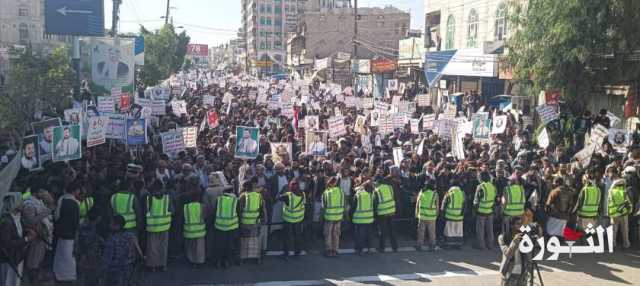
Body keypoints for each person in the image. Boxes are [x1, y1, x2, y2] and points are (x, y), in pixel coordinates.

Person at [1, 194, 37, 286]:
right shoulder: (6, 222)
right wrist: (26, 239)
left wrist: (26, 231)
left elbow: (17, 232)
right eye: (20, 202)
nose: (22, 204)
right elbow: (7, 244)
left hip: (16, 257)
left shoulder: (17, 218)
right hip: (9, 260)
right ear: (14, 204)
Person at [53, 181, 81, 284]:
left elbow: (56, 216)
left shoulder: (61, 199)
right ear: (74, 191)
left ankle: (58, 274)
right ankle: (69, 276)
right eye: (78, 190)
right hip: (70, 234)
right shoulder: (76, 203)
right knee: (69, 257)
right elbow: (76, 222)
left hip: (61, 233)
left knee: (60, 255)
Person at [102, 215, 142, 286]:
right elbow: (138, 253)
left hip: (115, 272)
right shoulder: (131, 236)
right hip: (129, 269)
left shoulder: (112, 239)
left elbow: (107, 259)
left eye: (111, 223)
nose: (109, 225)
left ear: (117, 226)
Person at [144, 180, 173, 272]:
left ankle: (153, 266)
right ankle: (163, 265)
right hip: (165, 226)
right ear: (162, 187)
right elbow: (172, 210)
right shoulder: (167, 198)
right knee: (163, 246)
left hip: (152, 226)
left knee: (152, 246)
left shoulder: (149, 198)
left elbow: (145, 211)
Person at [238, 181, 267, 264]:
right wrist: (264, 219)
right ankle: (257, 258)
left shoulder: (242, 196)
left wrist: (239, 221)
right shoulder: (259, 196)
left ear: (245, 188)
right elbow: (262, 209)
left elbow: (239, 210)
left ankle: (243, 259)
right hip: (255, 222)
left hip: (245, 222)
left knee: (244, 240)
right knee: (256, 239)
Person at [213, 186, 239, 268]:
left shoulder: (218, 199)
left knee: (219, 245)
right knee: (229, 245)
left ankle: (218, 261)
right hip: (231, 226)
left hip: (219, 225)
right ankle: (227, 261)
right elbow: (238, 212)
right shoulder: (235, 200)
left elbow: (215, 211)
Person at [498, 216, 529, 286]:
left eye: (521, 224)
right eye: (518, 224)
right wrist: (514, 242)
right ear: (511, 225)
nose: (520, 226)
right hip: (509, 271)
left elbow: (527, 253)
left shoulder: (523, 236)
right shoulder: (502, 237)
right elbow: (508, 254)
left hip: (522, 271)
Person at [279, 180, 305, 260]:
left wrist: (283, 191)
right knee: (297, 236)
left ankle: (286, 254)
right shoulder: (303, 194)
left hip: (288, 219)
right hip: (298, 219)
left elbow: (278, 197)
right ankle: (297, 252)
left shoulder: (287, 195)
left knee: (287, 237)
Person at [373, 174, 398, 252]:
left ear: (377, 182)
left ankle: (382, 248)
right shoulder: (390, 187)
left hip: (382, 213)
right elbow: (395, 198)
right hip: (391, 211)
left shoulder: (377, 190)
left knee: (383, 231)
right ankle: (395, 247)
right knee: (392, 231)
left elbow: (375, 204)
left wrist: (375, 213)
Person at [322, 177, 345, 257]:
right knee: (336, 234)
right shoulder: (341, 192)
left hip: (329, 216)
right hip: (338, 216)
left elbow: (323, 206)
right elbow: (344, 204)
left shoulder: (327, 192)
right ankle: (335, 250)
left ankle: (329, 250)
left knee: (328, 234)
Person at [474, 171, 496, 249]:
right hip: (490, 211)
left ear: (481, 178)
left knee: (480, 230)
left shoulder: (480, 187)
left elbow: (476, 201)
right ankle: (490, 245)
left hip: (481, 211)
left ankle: (481, 245)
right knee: (490, 230)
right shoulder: (492, 186)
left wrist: (475, 211)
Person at [183, 195, 207, 267]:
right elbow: (205, 216)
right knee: (199, 247)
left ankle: (192, 260)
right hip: (200, 231)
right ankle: (199, 261)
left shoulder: (186, 207)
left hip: (189, 231)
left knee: (190, 247)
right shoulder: (202, 206)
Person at [608, 178, 632, 249]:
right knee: (625, 230)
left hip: (614, 214)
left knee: (614, 230)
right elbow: (628, 203)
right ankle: (626, 244)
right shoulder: (624, 192)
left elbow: (608, 202)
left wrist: (609, 213)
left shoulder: (611, 192)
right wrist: (629, 211)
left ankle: (612, 244)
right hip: (623, 214)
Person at [415, 182, 439, 251]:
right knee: (432, 233)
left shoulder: (421, 192)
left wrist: (416, 213)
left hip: (422, 216)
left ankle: (419, 245)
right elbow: (437, 206)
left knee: (421, 232)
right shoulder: (435, 194)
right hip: (432, 217)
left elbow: (417, 204)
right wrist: (437, 214)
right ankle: (432, 246)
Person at [352, 183, 374, 255]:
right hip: (369, 218)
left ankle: (359, 250)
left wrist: (351, 215)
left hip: (359, 218)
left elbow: (353, 207)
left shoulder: (358, 195)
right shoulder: (371, 195)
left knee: (360, 235)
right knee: (369, 235)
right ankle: (369, 248)